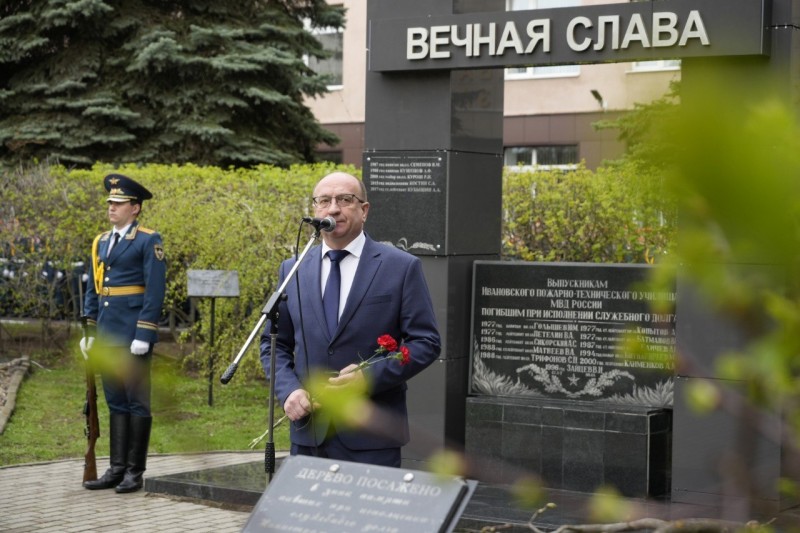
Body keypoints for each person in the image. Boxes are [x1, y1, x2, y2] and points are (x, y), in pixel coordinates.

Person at [260, 171, 441, 468]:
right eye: (324, 201)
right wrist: (288, 390)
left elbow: (426, 342)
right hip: (309, 432)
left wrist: (367, 378)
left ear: (364, 210)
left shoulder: (400, 267)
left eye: (345, 199)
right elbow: (273, 343)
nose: (333, 209)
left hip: (372, 435)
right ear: (315, 209)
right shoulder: (293, 269)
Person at [80, 173, 166, 493]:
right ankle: (116, 468)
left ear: (135, 207)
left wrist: (144, 333)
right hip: (107, 334)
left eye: (118, 203)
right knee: (115, 401)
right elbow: (96, 288)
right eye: (110, 202)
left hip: (133, 336)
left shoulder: (147, 240)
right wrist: (90, 330)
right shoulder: (101, 242)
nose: (111, 207)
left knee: (136, 402)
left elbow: (154, 291)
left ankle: (134, 471)